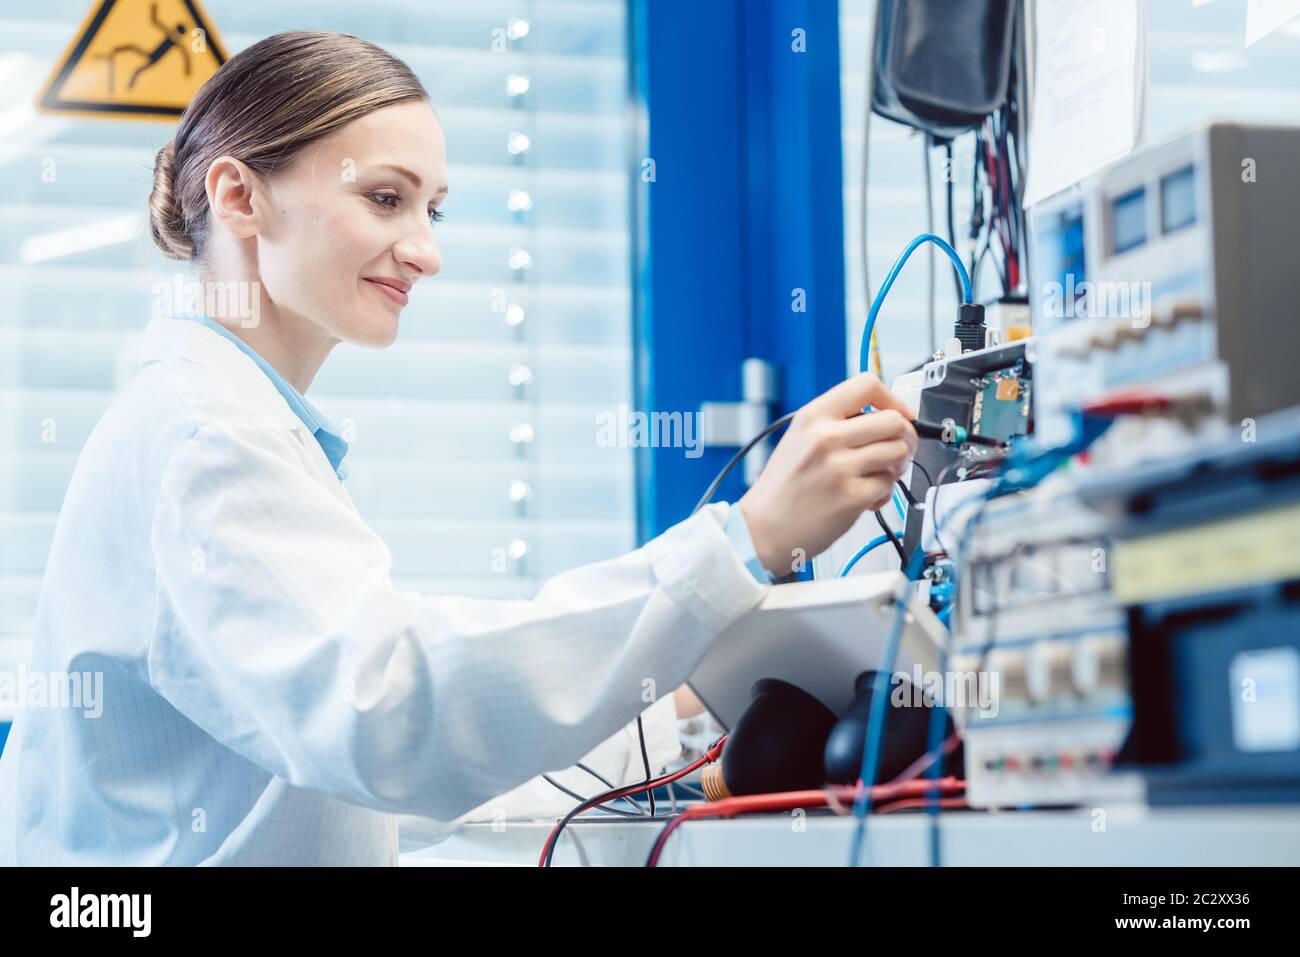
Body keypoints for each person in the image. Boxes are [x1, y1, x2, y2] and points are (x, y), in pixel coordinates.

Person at [0, 32, 917, 865]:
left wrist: (666, 707)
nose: (426, 250)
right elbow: (390, 718)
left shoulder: (235, 421)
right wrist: (742, 538)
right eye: (386, 198)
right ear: (239, 196)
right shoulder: (209, 439)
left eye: (433, 208)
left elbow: (344, 777)